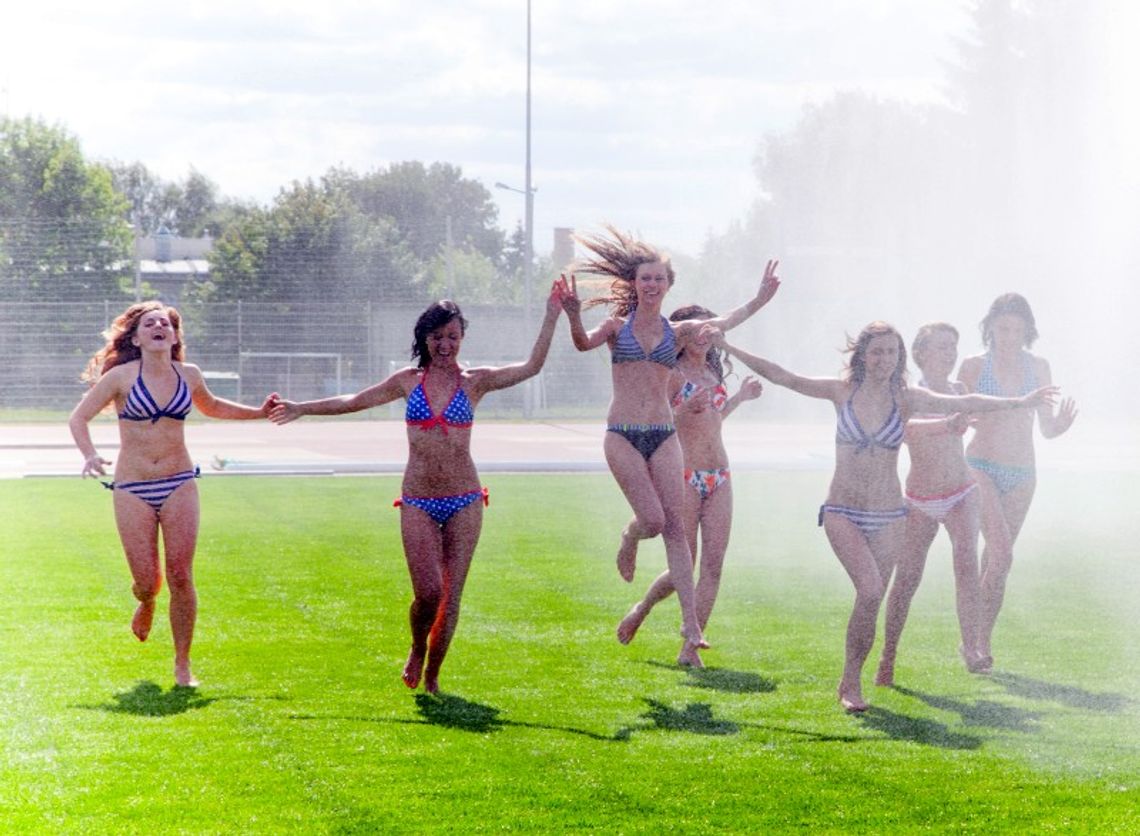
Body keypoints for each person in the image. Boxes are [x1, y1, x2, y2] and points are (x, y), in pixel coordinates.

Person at [712, 322, 1057, 711]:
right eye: (876, 352)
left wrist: (1021, 402)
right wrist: (729, 347)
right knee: (872, 589)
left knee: (871, 599)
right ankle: (853, 681)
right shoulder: (841, 390)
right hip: (844, 510)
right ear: (862, 355)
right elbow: (784, 377)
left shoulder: (906, 397)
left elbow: (966, 402)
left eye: (892, 353)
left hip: (890, 514)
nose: (884, 360)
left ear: (900, 358)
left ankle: (852, 677)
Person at [269, 283, 565, 694]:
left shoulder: (476, 382)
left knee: (451, 596)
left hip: (465, 498)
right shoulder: (408, 381)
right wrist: (303, 407)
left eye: (453, 337)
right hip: (418, 500)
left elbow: (531, 366)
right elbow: (355, 400)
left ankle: (433, 677)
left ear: (462, 338)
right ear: (424, 338)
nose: (445, 345)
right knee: (428, 592)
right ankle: (416, 647)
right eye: (437, 336)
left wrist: (553, 314)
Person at [560, 225, 780, 666]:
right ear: (634, 284)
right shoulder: (615, 326)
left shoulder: (676, 332)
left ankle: (691, 627)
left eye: (660, 278)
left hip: (663, 437)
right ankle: (630, 534)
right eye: (645, 278)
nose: (652, 284)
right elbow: (583, 344)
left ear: (668, 284)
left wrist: (759, 299)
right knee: (654, 520)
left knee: (676, 530)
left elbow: (724, 321)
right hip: (622, 434)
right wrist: (571, 313)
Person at [69, 301, 278, 688]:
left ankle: (183, 664)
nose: (159, 327)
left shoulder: (189, 374)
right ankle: (146, 601)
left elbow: (212, 407)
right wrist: (90, 453)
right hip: (132, 487)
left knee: (180, 574)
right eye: (149, 324)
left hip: (179, 480)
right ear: (136, 337)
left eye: (165, 323)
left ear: (175, 336)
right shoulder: (120, 377)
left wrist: (260, 412)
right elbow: (78, 417)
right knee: (148, 581)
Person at [616, 305, 762, 654]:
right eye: (698, 330)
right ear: (681, 336)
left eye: (711, 331)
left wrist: (739, 397)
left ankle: (690, 648)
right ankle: (643, 607)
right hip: (683, 474)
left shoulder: (712, 374)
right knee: (685, 565)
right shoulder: (670, 374)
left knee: (714, 563)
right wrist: (683, 409)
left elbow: (713, 420)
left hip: (720, 475)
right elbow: (656, 423)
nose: (705, 336)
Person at [958, 293, 1077, 669]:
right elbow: (956, 416)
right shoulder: (974, 366)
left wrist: (1060, 426)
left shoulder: (1039, 367)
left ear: (1027, 331)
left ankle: (979, 640)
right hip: (981, 466)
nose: (1008, 335)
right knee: (1003, 553)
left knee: (995, 560)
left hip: (1023, 472)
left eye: (1016, 329)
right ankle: (971, 641)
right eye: (1002, 328)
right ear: (990, 327)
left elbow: (1046, 428)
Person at [875, 322, 987, 687]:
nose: (949, 352)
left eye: (952, 346)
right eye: (940, 346)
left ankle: (971, 646)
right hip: (920, 499)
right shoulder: (908, 392)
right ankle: (887, 658)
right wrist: (948, 424)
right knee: (906, 579)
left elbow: (974, 417)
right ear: (920, 352)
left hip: (960, 491)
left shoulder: (958, 390)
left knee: (967, 561)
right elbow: (908, 431)